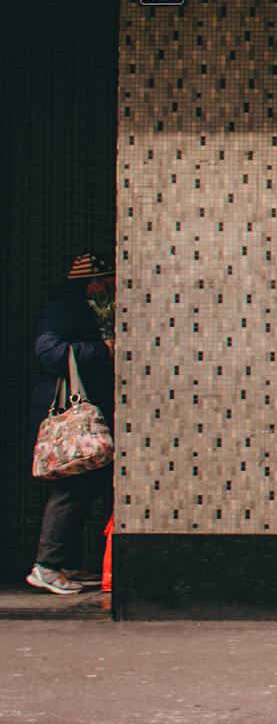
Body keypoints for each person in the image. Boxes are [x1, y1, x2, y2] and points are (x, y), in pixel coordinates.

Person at [24, 252, 115, 595]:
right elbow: (50, 352)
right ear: (87, 283)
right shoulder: (64, 308)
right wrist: (103, 349)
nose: (108, 284)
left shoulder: (87, 308)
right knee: (72, 490)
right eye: (103, 279)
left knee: (86, 486)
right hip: (68, 414)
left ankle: (66, 563)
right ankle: (46, 566)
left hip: (87, 411)